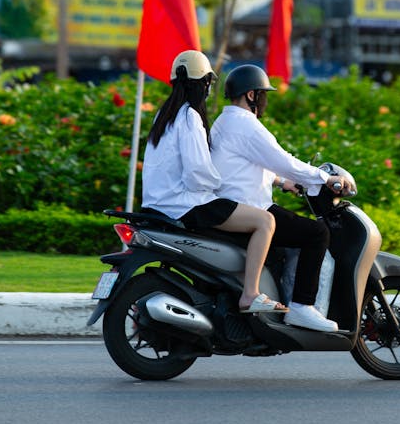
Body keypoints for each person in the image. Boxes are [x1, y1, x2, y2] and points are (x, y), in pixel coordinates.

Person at [141, 50, 285, 314]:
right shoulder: (190, 117)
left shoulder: (163, 115)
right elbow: (198, 173)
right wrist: (219, 184)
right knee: (265, 221)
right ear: (204, 83)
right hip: (186, 205)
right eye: (208, 84)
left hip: (157, 204)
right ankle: (250, 294)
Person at [210, 65, 349, 332]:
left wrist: (281, 182)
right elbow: (283, 160)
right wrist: (325, 179)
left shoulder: (224, 121)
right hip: (248, 207)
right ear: (251, 95)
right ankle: (302, 307)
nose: (265, 101)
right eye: (263, 95)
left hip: (231, 203)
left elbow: (244, 165)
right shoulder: (247, 124)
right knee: (316, 233)